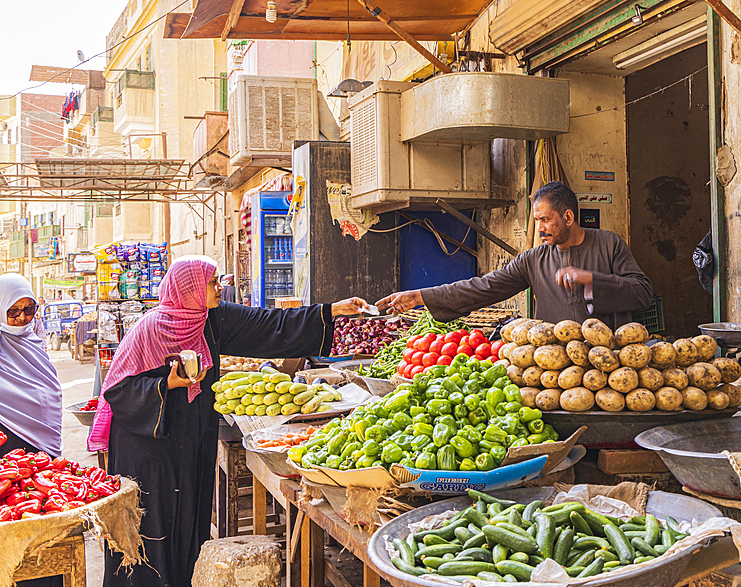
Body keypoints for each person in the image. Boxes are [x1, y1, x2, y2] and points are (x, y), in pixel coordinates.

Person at [88, 256, 369, 587]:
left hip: (191, 442)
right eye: (212, 282)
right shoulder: (150, 329)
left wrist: (331, 311)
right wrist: (167, 384)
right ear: (189, 288)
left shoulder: (211, 319)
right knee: (151, 525)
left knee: (188, 518)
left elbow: (269, 324)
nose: (219, 287)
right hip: (148, 449)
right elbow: (118, 391)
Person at [377, 181, 653, 329]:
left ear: (568, 217)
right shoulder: (534, 260)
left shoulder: (609, 244)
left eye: (545, 220)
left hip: (611, 364)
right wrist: (422, 296)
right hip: (555, 367)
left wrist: (593, 279)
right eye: (537, 221)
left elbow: (642, 292)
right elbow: (484, 287)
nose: (540, 229)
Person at [0, 273, 61, 457]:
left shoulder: (32, 342)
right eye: (13, 311)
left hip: (43, 444)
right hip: (7, 439)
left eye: (29, 309)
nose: (22, 317)